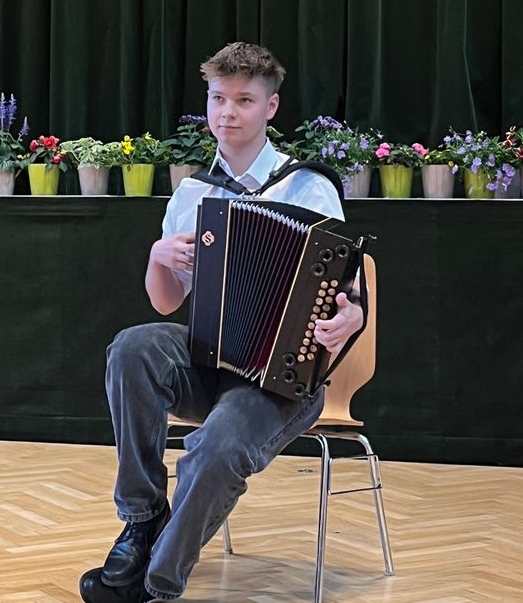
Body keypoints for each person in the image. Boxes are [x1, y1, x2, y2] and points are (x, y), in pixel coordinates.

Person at [79, 42, 364, 602]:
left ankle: (158, 582)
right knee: (132, 347)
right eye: (217, 99)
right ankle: (141, 519)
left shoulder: (310, 187)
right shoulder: (193, 193)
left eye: (243, 100)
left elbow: (350, 295)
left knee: (217, 446)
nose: (227, 112)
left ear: (271, 108)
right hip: (210, 359)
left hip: (285, 378)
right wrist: (157, 257)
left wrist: (350, 318)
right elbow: (165, 304)